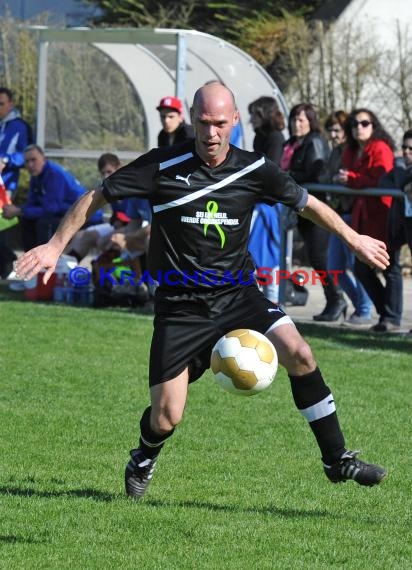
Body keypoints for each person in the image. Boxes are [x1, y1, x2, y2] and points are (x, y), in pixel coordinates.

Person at [15, 83, 389, 500]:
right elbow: (96, 196)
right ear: (194, 120)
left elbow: (306, 203)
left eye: (220, 124)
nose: (211, 133)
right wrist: (55, 246)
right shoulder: (162, 165)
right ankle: (143, 456)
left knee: (300, 353)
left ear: (234, 122)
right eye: (204, 123)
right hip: (180, 307)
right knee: (166, 416)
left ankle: (336, 459)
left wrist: (354, 238)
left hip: (239, 295)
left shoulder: (254, 169)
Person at [280, 103, 346, 321]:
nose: (296, 124)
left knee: (320, 258)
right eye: (294, 119)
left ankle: (337, 299)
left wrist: (288, 174)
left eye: (301, 120)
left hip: (315, 205)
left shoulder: (314, 142)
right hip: (298, 206)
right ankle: (333, 301)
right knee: (315, 258)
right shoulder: (291, 143)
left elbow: (316, 175)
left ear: (310, 122)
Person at [336, 108, 395, 332]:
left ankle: (390, 316)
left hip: (381, 214)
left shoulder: (380, 148)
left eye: (364, 123)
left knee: (388, 267)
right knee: (362, 268)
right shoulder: (352, 150)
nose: (358, 127)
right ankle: (385, 314)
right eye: (354, 124)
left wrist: (350, 179)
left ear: (373, 125)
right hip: (362, 216)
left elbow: (381, 178)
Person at [322, 111, 373, 324]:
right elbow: (328, 176)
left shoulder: (354, 151)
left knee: (355, 265)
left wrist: (346, 179)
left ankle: (364, 309)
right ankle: (358, 307)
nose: (333, 134)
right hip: (339, 214)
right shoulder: (336, 152)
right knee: (335, 268)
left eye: (337, 130)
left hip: (355, 214)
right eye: (331, 130)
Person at [2, 144, 100, 251]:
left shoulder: (54, 174)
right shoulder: (36, 176)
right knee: (26, 219)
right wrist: (19, 210)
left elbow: (51, 209)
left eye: (33, 160)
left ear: (44, 159)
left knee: (44, 223)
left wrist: (19, 210)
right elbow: (32, 204)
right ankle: (31, 260)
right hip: (65, 213)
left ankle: (45, 262)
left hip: (87, 216)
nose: (30, 164)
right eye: (27, 161)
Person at [248, 96, 286, 302]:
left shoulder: (275, 138)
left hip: (269, 205)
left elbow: (271, 170)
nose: (251, 119)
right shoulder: (259, 136)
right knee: (254, 256)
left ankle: (273, 304)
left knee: (270, 257)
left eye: (254, 114)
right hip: (256, 201)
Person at [376, 129, 412, 332]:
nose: (406, 152)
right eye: (404, 147)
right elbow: (384, 182)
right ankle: (391, 318)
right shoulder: (400, 167)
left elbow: (402, 181)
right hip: (402, 222)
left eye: (411, 149)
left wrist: (402, 172)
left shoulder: (400, 167)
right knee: (390, 268)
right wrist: (402, 171)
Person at [66, 153, 131, 262]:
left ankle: (108, 271)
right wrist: (115, 220)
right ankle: (68, 269)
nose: (106, 176)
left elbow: (137, 219)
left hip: (138, 226)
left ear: (119, 167)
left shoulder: (132, 185)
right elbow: (117, 215)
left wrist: (120, 224)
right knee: (84, 235)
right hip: (120, 226)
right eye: (103, 173)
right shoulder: (110, 188)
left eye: (109, 172)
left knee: (103, 241)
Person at [0, 87, 32, 277]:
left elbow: (25, 155)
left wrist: (5, 160)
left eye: (2, 104)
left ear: (11, 104)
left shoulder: (19, 126)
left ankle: (11, 266)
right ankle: (9, 267)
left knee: (2, 227)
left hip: (5, 187)